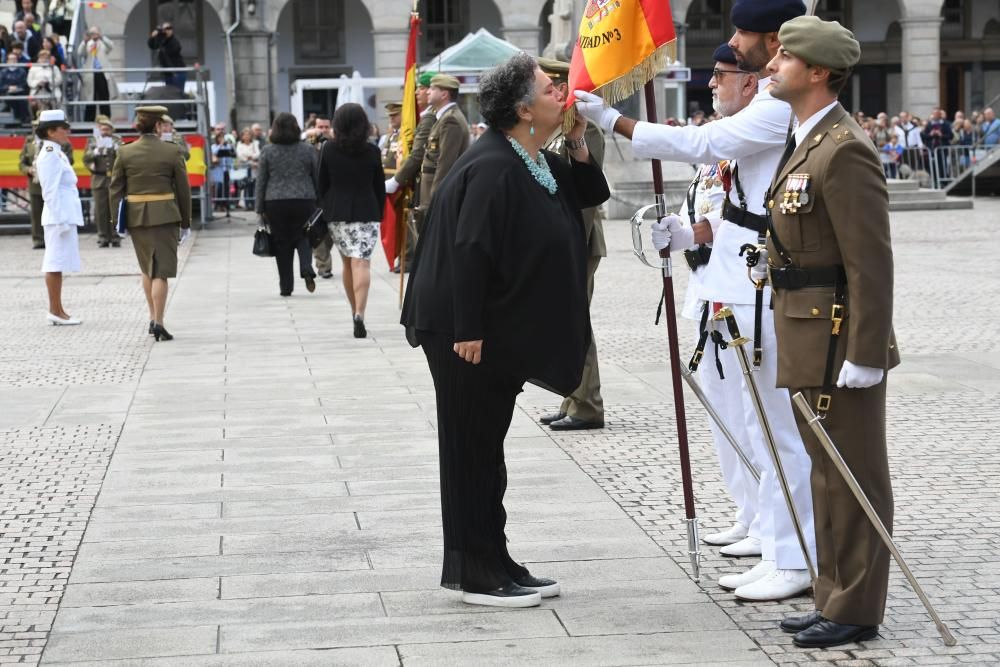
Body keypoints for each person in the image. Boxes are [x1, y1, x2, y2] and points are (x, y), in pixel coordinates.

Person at [576, 0, 817, 602]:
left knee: (777, 432)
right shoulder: (765, 101)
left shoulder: (771, 107)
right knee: (756, 427)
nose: (731, 46)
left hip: (760, 285)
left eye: (740, 36)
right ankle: (775, 539)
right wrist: (684, 235)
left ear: (772, 39)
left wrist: (612, 121)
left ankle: (793, 554)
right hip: (735, 283)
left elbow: (704, 143)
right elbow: (720, 187)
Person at [401, 52, 609, 608]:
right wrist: (468, 327)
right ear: (523, 108)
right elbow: (470, 248)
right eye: (550, 88)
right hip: (461, 329)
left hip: (490, 327)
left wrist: (581, 141)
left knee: (486, 448)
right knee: (469, 447)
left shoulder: (531, 156)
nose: (562, 92)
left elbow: (589, 194)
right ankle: (473, 572)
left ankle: (495, 556)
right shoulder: (493, 162)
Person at [759, 16, 898, 649]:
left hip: (840, 339)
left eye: (785, 57)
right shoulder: (807, 139)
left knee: (854, 474)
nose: (771, 63)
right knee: (823, 472)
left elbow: (870, 262)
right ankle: (832, 594)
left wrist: (867, 353)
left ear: (818, 73)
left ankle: (858, 608)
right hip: (807, 334)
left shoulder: (844, 148)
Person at [650, 43, 765, 554]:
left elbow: (740, 220)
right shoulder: (718, 148)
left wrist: (696, 232)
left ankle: (769, 521)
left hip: (739, 289)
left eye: (721, 75)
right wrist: (679, 231)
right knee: (721, 406)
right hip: (706, 285)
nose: (711, 83)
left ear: (751, 82)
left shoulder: (750, 139)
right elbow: (703, 206)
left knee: (749, 409)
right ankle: (747, 510)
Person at [536, 56, 607, 432]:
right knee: (568, 321)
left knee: (579, 322)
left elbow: (587, 194)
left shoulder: (585, 130)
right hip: (564, 239)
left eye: (550, 85)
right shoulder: (555, 128)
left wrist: (568, 244)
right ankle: (572, 397)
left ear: (564, 88)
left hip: (579, 240)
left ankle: (588, 405)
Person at [109, 105, 192, 342]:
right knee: (161, 272)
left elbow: (115, 188)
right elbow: (183, 190)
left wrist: (118, 221)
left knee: (147, 267)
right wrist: (185, 221)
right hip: (165, 215)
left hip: (136, 216)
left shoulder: (125, 152)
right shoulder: (171, 151)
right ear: (158, 126)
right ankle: (159, 322)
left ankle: (151, 316)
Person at [317, 103, 385, 338]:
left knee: (347, 264)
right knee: (362, 263)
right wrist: (380, 213)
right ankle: (360, 313)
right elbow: (379, 187)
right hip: (367, 212)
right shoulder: (373, 151)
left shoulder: (327, 149)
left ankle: (353, 310)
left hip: (338, 213)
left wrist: (326, 206)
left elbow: (321, 184)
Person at [256, 112, 318, 297]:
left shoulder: (268, 151)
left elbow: (261, 181)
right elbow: (316, 175)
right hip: (304, 199)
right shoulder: (307, 149)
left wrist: (260, 208)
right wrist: (319, 199)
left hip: (275, 201)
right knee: (304, 235)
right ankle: (306, 266)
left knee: (282, 242)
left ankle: (286, 286)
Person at [385, 70, 437, 271]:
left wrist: (396, 180)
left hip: (427, 184)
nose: (417, 93)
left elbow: (417, 155)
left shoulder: (430, 119)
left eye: (422, 89)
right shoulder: (425, 118)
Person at [35, 110, 83, 326]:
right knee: (54, 262)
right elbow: (50, 191)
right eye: (63, 128)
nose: (67, 131)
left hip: (63, 215)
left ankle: (59, 309)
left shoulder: (57, 152)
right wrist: (60, 218)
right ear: (51, 132)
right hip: (57, 217)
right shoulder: (49, 154)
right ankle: (55, 310)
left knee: (59, 262)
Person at [419, 74, 469, 214]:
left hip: (438, 196)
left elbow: (445, 164)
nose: (428, 91)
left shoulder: (450, 120)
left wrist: (437, 197)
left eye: (433, 88)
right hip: (431, 193)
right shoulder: (443, 118)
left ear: (444, 94)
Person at [20, 118, 73, 249]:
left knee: (51, 211)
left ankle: (52, 237)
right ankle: (38, 239)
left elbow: (69, 160)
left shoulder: (58, 144)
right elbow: (22, 163)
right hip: (35, 183)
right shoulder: (29, 143)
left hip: (54, 182)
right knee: (36, 213)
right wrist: (28, 170)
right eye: (34, 127)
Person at [83, 114, 123, 247]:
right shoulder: (92, 141)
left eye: (108, 129)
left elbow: (123, 157)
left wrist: (116, 149)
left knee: (115, 209)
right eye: (103, 129)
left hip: (114, 179)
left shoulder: (117, 140)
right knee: (100, 210)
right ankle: (103, 237)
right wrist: (95, 151)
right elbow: (86, 159)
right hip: (99, 178)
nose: (105, 132)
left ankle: (116, 236)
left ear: (112, 130)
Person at [307, 115, 335, 279]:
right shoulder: (310, 145)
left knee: (330, 234)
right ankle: (324, 266)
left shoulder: (334, 144)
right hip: (313, 196)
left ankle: (323, 259)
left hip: (331, 195)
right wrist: (312, 138)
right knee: (317, 229)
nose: (323, 130)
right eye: (320, 127)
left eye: (326, 127)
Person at [76, 26, 116, 122]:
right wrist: (85, 41)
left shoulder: (102, 43)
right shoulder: (87, 44)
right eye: (92, 33)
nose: (93, 35)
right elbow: (80, 52)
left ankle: (106, 120)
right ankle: (88, 121)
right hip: (90, 74)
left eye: (95, 33)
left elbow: (111, 46)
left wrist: (101, 37)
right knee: (90, 98)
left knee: (104, 97)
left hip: (102, 73)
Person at [148, 23, 186, 91]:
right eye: (165, 29)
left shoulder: (174, 40)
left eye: (169, 28)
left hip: (178, 72)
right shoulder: (161, 39)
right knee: (169, 93)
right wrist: (152, 37)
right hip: (167, 73)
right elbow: (152, 46)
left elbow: (175, 49)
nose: (167, 31)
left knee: (178, 93)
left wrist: (163, 44)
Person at [27, 49, 62, 113]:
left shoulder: (54, 68)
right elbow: (29, 81)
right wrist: (38, 83)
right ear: (39, 59)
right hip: (37, 90)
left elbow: (59, 79)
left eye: (46, 58)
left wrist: (49, 82)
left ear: (49, 59)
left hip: (51, 89)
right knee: (33, 103)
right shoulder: (33, 68)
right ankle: (35, 118)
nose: (44, 60)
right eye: (42, 58)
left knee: (55, 100)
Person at [1, 51, 30, 124]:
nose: (13, 61)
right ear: (7, 61)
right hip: (6, 92)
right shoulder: (2, 72)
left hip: (19, 92)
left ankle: (22, 119)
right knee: (11, 99)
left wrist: (17, 87)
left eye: (14, 59)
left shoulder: (22, 71)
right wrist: (8, 88)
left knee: (22, 100)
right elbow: (1, 84)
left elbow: (24, 84)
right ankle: (18, 119)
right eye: (11, 59)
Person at [235, 127, 259, 210]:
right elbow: (240, 155)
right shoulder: (239, 144)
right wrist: (249, 159)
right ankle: (246, 204)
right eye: (245, 134)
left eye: (249, 134)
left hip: (254, 169)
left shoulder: (255, 143)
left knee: (253, 186)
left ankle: (253, 204)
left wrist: (250, 156)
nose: (247, 136)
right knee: (245, 186)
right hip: (244, 168)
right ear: (242, 136)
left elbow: (258, 153)